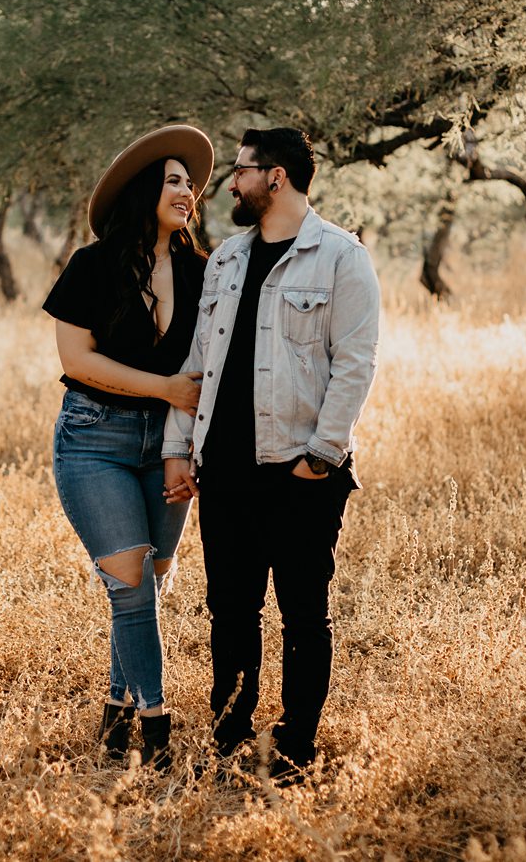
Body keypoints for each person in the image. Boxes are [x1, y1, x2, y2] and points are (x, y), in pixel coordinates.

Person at [162, 127, 380, 783]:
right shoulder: (226, 258)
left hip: (300, 472)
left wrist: (320, 455)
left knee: (303, 614)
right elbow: (197, 359)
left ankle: (293, 748)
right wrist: (179, 447)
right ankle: (229, 737)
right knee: (229, 610)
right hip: (224, 470)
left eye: (241, 170)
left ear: (276, 176)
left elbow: (356, 362)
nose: (230, 183)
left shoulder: (341, 256)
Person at [44, 124, 214, 771]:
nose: (188, 191)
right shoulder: (93, 265)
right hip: (94, 440)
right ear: (145, 189)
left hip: (168, 447)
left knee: (148, 584)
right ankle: (156, 729)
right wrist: (168, 388)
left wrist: (182, 438)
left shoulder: (203, 272)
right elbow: (76, 359)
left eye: (191, 183)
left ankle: (115, 711)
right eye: (174, 180)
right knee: (131, 589)